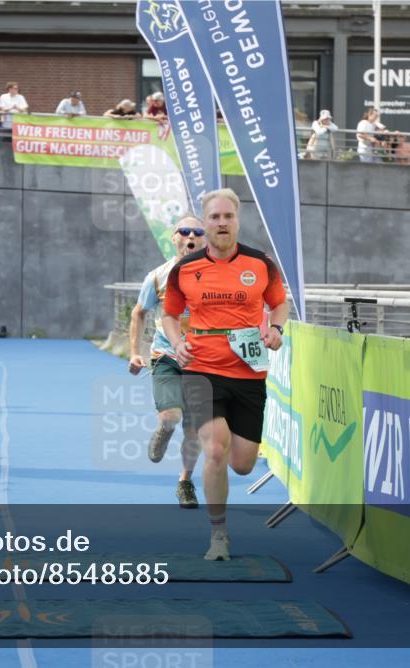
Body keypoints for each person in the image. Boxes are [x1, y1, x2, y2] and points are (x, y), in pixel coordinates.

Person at [161, 188, 287, 561]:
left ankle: (227, 469)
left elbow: (279, 304)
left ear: (237, 219)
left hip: (248, 373)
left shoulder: (260, 263)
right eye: (213, 217)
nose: (220, 223)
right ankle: (219, 536)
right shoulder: (185, 268)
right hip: (201, 369)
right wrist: (176, 341)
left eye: (227, 217)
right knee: (215, 449)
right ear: (205, 222)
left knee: (242, 463)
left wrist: (276, 330)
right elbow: (169, 314)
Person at [129, 219, 208, 509]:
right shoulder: (158, 277)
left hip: (204, 360)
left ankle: (185, 482)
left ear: (205, 240)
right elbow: (139, 313)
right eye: (184, 232)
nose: (191, 236)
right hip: (166, 356)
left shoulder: (217, 276)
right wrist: (134, 352)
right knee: (172, 417)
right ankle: (164, 429)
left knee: (195, 427)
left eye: (197, 233)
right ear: (173, 239)